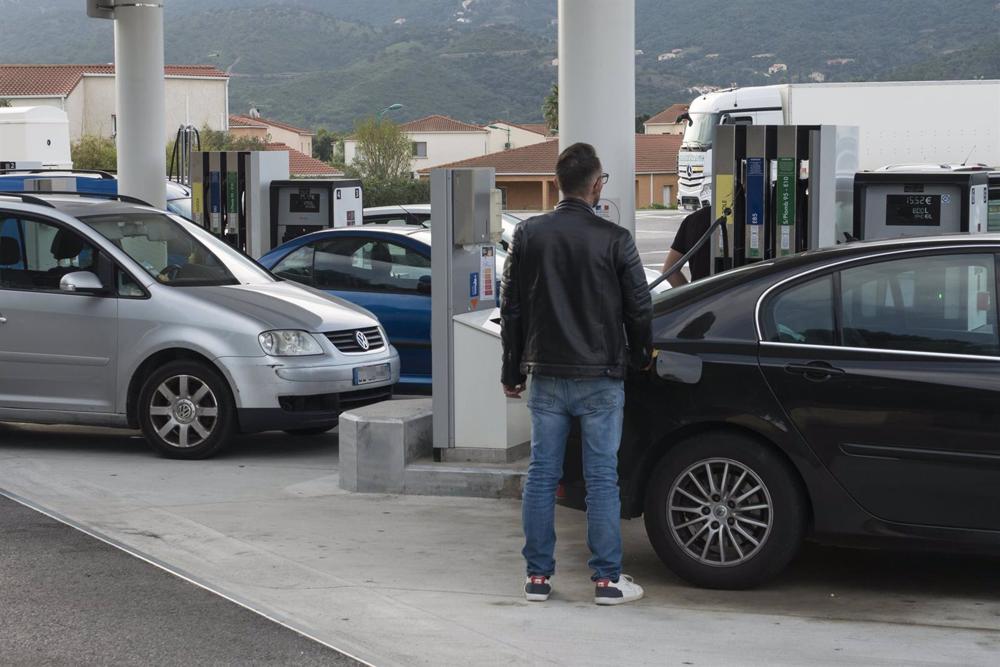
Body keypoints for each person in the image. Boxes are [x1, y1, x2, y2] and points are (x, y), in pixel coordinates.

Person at [500, 142, 652, 606]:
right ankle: (607, 581)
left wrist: (512, 369)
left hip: (546, 373)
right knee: (602, 477)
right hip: (602, 376)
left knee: (542, 474)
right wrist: (642, 355)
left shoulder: (528, 234)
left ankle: (537, 579)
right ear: (596, 185)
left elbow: (512, 308)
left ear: (557, 184)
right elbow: (639, 308)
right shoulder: (615, 238)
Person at [660, 204, 712, 286]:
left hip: (702, 295)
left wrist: (693, 295)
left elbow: (670, 271)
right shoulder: (737, 218)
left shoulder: (694, 220)